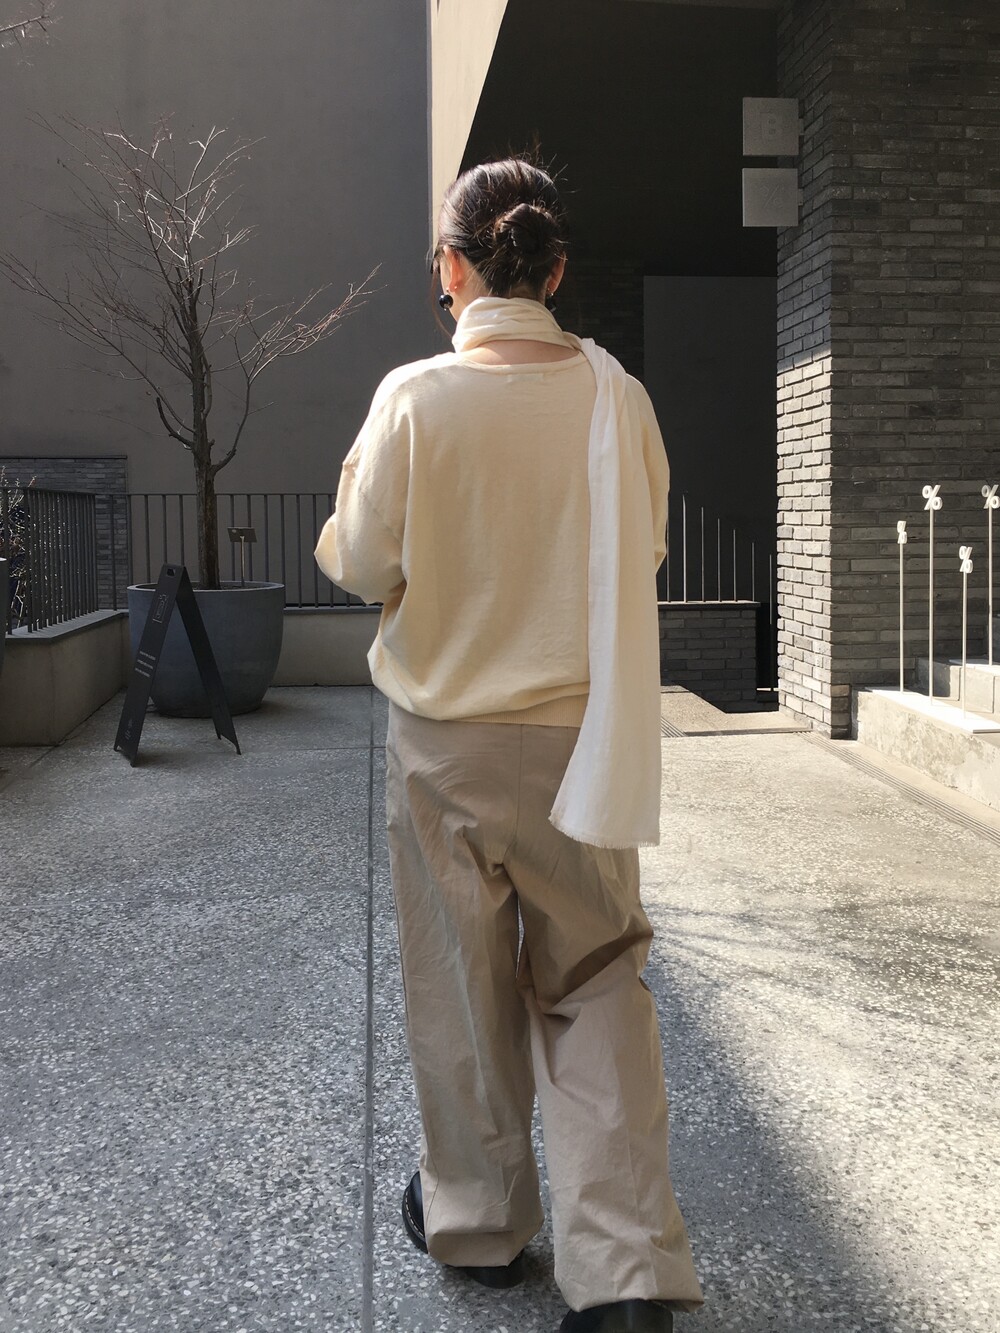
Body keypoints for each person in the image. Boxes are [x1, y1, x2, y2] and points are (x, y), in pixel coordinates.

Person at [315, 158, 703, 1333]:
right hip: (582, 741)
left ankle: (481, 1224)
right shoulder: (616, 397)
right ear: (556, 270)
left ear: (451, 265)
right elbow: (642, 550)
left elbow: (360, 562)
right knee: (596, 980)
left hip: (445, 746)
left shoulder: (414, 398)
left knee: (458, 985)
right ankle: (624, 1270)